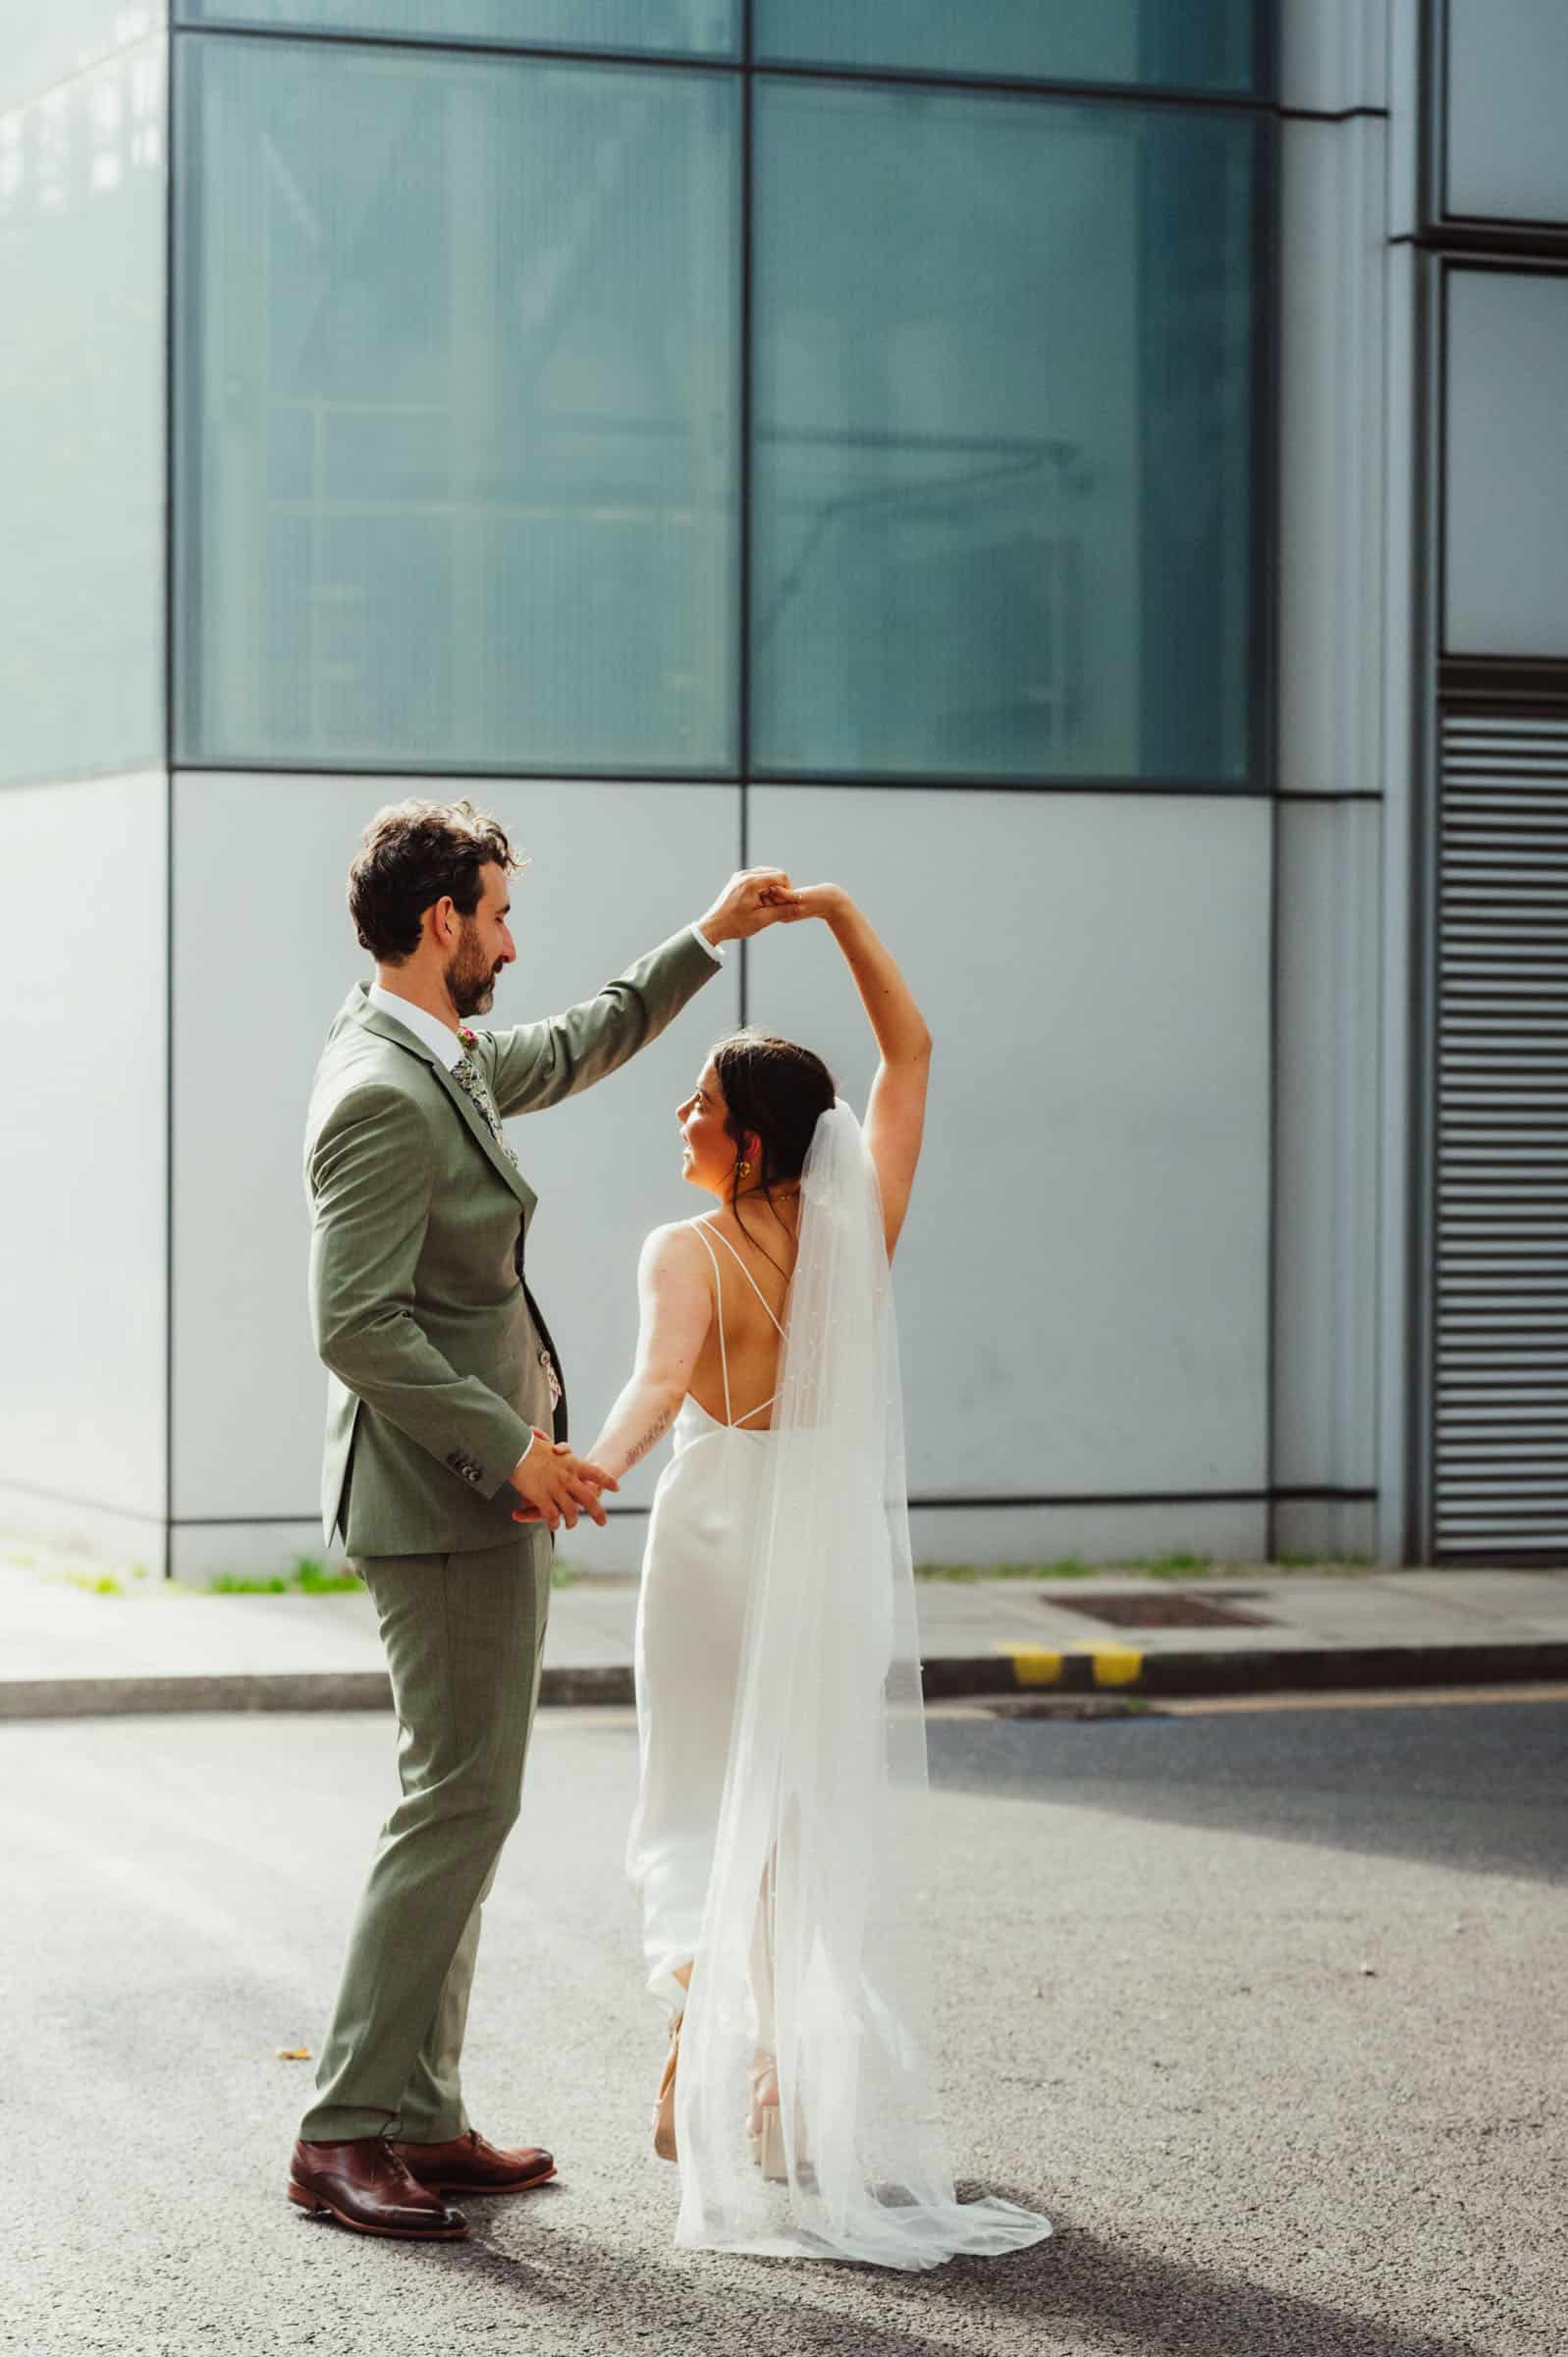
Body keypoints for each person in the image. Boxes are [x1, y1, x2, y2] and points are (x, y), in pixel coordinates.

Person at [288, 795, 799, 2241]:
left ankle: (421, 2116)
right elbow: (357, 1324)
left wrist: (708, 937)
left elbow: (578, 1042)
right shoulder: (383, 1089)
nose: (513, 942)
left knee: (471, 1800)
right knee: (453, 1801)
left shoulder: (430, 1056)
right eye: (499, 916)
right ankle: (343, 2129)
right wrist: (514, 1449)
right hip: (443, 1500)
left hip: (475, 1495)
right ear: (442, 920)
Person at [563, 884, 1052, 2268]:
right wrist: (835, 913)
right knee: (785, 1808)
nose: (680, 1123)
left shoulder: (687, 1249)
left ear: (750, 1136)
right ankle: (760, 2067)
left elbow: (660, 1386)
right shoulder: (853, 1239)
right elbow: (910, 1058)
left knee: (690, 1796)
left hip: (715, 1547)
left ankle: (699, 2031)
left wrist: (585, 1474)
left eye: (697, 1106)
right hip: (818, 1560)